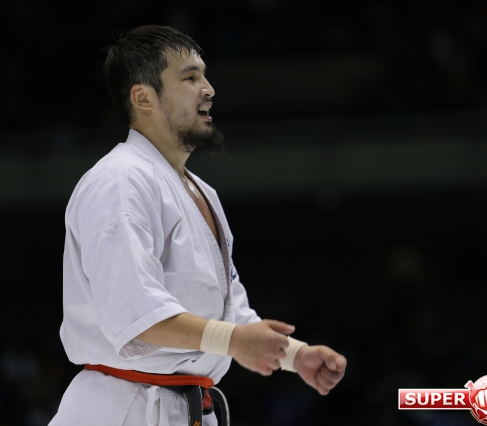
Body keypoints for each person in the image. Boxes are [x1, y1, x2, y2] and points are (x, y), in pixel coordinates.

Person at [49, 25, 346, 426]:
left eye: (204, 75)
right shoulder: (120, 182)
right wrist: (234, 341)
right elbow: (135, 314)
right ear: (143, 97)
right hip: (124, 408)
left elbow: (227, 310)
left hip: (181, 405)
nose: (208, 89)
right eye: (189, 78)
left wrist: (295, 355)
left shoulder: (199, 191)